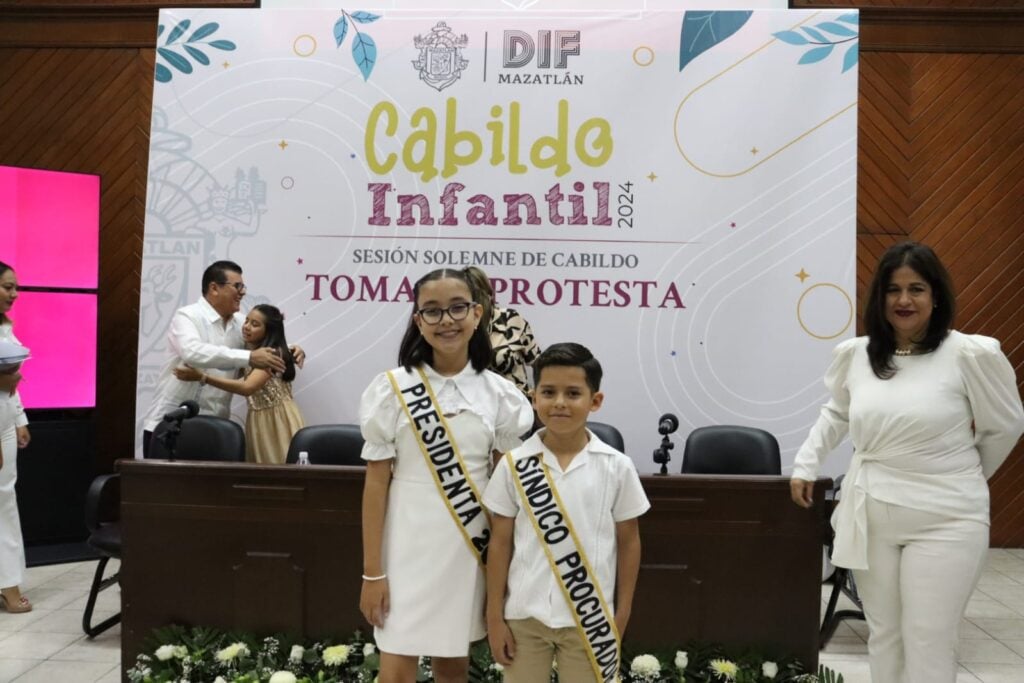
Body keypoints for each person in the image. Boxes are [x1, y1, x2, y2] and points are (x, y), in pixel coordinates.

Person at [790, 242, 1024, 683]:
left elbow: (1005, 426)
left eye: (916, 289)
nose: (903, 300)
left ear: (936, 296)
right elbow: (837, 413)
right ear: (879, 298)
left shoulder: (969, 354)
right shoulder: (857, 355)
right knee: (885, 634)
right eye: (893, 290)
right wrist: (807, 462)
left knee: (929, 636)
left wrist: (962, 473)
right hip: (872, 513)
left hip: (948, 517)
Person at [358, 268, 533, 683]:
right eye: (432, 312)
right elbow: (376, 483)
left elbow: (506, 492)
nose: (447, 321)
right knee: (395, 671)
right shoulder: (391, 389)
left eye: (457, 308)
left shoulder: (501, 395)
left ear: (477, 314)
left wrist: (502, 575)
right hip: (404, 543)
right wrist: (372, 573)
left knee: (452, 669)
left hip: (467, 545)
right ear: (418, 320)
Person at [483, 342, 649, 683]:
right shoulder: (514, 465)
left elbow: (630, 542)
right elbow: (499, 544)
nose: (559, 402)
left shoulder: (617, 467)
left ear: (595, 401)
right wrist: (494, 617)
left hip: (591, 619)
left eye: (573, 393)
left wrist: (622, 613)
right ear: (533, 398)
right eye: (549, 392)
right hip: (523, 617)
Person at [140, 260, 293, 458]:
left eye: (243, 287)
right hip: (171, 427)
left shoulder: (240, 322)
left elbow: (265, 343)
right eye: (237, 286)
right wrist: (248, 357)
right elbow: (192, 352)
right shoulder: (187, 316)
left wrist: (291, 349)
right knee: (161, 489)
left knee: (215, 490)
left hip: (216, 431)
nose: (242, 292)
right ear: (214, 288)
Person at [173, 304, 305, 464]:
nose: (247, 327)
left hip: (277, 421)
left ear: (268, 330)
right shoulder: (252, 352)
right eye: (247, 321)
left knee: (280, 470)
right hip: (259, 420)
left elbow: (246, 387)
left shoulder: (271, 355)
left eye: (255, 324)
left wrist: (202, 377)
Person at [0, 261, 32, 613]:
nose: (14, 294)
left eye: (15, 287)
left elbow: (11, 378)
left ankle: (8, 582)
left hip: (4, 420)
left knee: (3, 501)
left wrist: (20, 417)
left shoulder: (6, 328)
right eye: (7, 286)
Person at [464, 266, 541, 398]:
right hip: (476, 408)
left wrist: (542, 397)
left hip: (517, 405)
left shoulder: (510, 319)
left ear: (488, 293)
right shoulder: (459, 325)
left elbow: (538, 363)